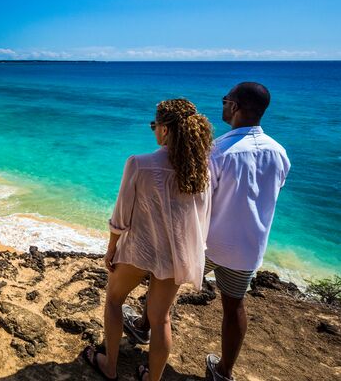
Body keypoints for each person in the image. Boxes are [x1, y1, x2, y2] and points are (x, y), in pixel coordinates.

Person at [125, 83, 290, 381]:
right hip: (249, 246)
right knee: (234, 305)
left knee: (162, 286)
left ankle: (143, 328)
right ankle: (224, 372)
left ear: (236, 107)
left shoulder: (219, 151)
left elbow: (196, 199)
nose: (223, 105)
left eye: (226, 100)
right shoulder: (279, 153)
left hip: (207, 242)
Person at [83, 99, 213, 381]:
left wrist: (111, 249)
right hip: (176, 254)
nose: (154, 130)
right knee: (160, 319)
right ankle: (151, 378)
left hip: (138, 250)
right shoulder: (201, 170)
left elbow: (121, 216)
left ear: (165, 130)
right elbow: (202, 218)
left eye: (155, 126)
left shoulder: (139, 164)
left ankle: (110, 366)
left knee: (114, 301)